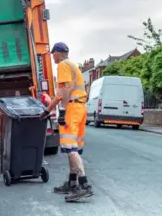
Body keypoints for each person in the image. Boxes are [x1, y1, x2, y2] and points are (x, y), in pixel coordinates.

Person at [39, 42, 93, 202]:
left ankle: (84, 186)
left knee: (71, 149)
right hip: (81, 109)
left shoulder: (63, 65)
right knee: (73, 148)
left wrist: (53, 110)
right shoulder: (72, 65)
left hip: (72, 109)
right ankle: (72, 182)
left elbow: (64, 91)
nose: (52, 57)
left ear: (57, 53)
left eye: (52, 54)